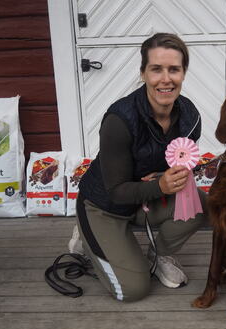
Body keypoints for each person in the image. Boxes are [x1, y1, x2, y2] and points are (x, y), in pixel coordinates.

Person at [71, 33, 208, 302]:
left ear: (183, 73)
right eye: (156, 69)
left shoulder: (191, 116)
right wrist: (159, 185)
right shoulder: (119, 120)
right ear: (143, 72)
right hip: (104, 205)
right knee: (133, 290)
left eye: (174, 69)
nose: (165, 79)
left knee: (201, 206)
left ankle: (159, 255)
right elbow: (116, 192)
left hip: (146, 196)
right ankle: (86, 235)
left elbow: (177, 164)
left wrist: (164, 179)